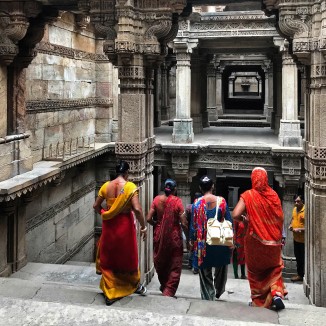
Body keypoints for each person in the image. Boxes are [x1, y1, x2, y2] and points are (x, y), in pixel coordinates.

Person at [93, 160, 147, 306]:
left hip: (109, 226)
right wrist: (143, 226)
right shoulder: (130, 187)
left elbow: (96, 206)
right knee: (127, 257)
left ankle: (110, 290)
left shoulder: (106, 186)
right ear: (126, 173)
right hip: (125, 226)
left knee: (110, 256)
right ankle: (132, 285)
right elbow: (137, 209)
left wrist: (106, 214)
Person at [232, 167, 286, 311]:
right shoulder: (274, 195)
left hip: (255, 242)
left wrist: (246, 220)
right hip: (273, 242)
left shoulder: (248, 195)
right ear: (266, 179)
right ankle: (276, 294)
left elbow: (235, 214)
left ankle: (258, 301)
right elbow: (280, 217)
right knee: (274, 269)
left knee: (256, 273)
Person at [190, 175, 233, 301]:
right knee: (222, 268)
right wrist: (232, 242)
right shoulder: (222, 202)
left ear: (200, 188)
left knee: (204, 272)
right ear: (213, 187)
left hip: (203, 244)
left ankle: (209, 295)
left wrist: (192, 242)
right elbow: (229, 222)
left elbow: (193, 226)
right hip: (219, 241)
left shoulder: (196, 203)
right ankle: (218, 290)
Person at [146, 179, 188, 297]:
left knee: (161, 261)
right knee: (175, 264)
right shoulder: (177, 202)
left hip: (159, 235)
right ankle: (169, 290)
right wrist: (189, 239)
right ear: (175, 190)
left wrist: (157, 224)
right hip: (174, 236)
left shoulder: (157, 200)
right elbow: (184, 223)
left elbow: (149, 218)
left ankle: (164, 286)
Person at [289, 195, 305, 282]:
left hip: (304, 240)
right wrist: (291, 225)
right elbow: (292, 219)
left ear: (302, 201)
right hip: (296, 239)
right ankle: (300, 275)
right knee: (298, 258)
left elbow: (311, 227)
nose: (296, 203)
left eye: (298, 201)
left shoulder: (306, 210)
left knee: (303, 259)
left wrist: (300, 229)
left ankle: (304, 275)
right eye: (295, 201)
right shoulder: (294, 209)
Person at [186, 192, 201, 274]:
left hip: (191, 229)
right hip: (199, 230)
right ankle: (196, 266)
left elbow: (188, 219)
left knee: (191, 247)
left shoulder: (190, 207)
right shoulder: (201, 206)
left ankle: (190, 263)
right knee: (197, 248)